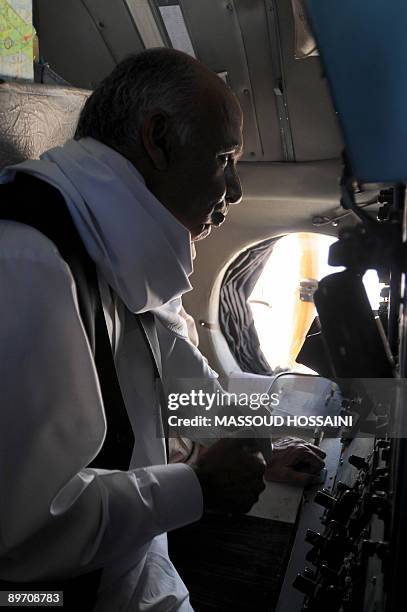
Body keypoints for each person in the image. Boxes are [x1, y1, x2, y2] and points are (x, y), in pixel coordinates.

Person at [0, 48, 325, 610]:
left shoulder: (118, 244)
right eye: (224, 158)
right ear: (158, 138)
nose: (236, 191)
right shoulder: (29, 264)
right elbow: (23, 532)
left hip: (129, 558)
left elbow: (174, 381)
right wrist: (197, 485)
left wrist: (252, 440)